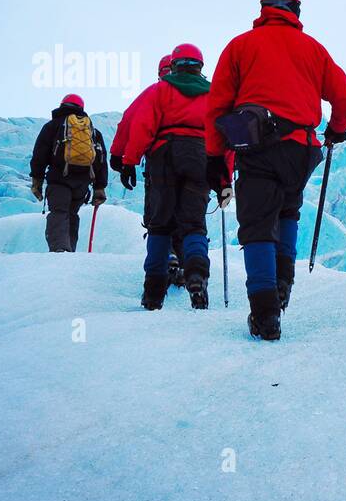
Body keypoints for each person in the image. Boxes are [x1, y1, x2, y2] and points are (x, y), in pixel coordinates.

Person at [205, 0, 346, 341]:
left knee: (257, 226)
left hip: (257, 151)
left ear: (262, 8)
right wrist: (334, 131)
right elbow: (345, 97)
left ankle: (264, 313)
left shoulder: (240, 47)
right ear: (297, 8)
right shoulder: (313, 50)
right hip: (301, 152)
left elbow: (217, 109)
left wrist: (215, 159)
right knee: (287, 212)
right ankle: (283, 284)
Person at [121, 43, 214, 310]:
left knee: (160, 225)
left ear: (173, 65)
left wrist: (129, 160)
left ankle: (153, 294)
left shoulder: (160, 90)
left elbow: (142, 126)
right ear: (200, 66)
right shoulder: (213, 94)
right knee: (194, 225)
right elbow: (222, 134)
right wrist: (223, 177)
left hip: (165, 154)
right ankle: (196, 275)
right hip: (200, 155)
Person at [110, 55, 187, 285]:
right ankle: (184, 264)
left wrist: (120, 156)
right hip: (194, 163)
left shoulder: (154, 92)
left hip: (159, 163)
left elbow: (130, 122)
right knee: (187, 214)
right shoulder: (200, 91)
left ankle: (164, 261)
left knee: (158, 215)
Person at [29, 93, 108, 252]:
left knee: (59, 212)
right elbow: (101, 160)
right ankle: (69, 251)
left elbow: (40, 155)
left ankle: (60, 252)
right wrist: (99, 187)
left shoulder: (52, 126)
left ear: (62, 105)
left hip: (59, 179)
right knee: (72, 214)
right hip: (82, 183)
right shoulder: (92, 131)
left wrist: (36, 181)